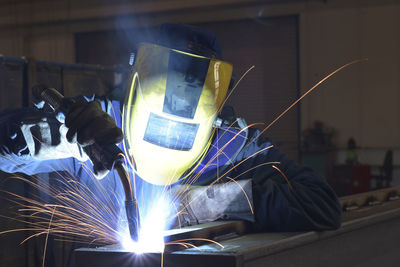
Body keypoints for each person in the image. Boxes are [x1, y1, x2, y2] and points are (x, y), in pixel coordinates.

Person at [0, 23, 341, 240]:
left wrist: (206, 202)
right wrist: (50, 137)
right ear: (135, 94)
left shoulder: (230, 143)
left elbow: (322, 205)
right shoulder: (99, 126)